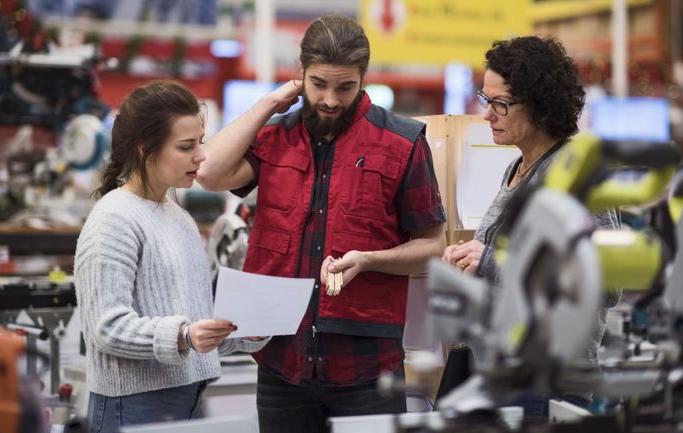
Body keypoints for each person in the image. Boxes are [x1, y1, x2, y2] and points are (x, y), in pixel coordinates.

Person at [196, 13, 446, 433]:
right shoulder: (275, 136)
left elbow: (433, 245)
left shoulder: (402, 143)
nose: (330, 99)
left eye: (345, 86)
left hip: (367, 369)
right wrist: (269, 104)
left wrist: (369, 259)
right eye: (318, 84)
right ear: (301, 75)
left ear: (363, 78)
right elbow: (210, 172)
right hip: (282, 363)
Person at [441, 36, 621, 419]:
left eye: (501, 104)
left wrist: (490, 260)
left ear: (540, 105)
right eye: (486, 100)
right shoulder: (517, 169)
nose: (488, 114)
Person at [74, 80, 269, 433]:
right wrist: (182, 335)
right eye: (185, 146)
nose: (200, 156)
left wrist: (245, 332)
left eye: (200, 143)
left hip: (187, 401)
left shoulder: (179, 218)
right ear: (145, 149)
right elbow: (106, 327)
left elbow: (195, 326)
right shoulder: (113, 219)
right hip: (132, 407)